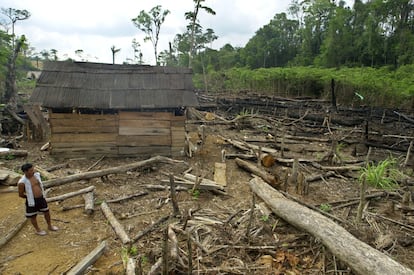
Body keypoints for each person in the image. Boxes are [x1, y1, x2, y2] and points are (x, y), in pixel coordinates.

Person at [18, 163, 59, 236]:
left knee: (47, 212)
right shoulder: (22, 182)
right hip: (31, 201)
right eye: (31, 170)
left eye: (33, 169)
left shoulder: (36, 175)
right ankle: (38, 230)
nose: (33, 171)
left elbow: (39, 185)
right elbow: (20, 194)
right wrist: (29, 197)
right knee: (33, 216)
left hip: (41, 198)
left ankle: (50, 226)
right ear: (25, 172)